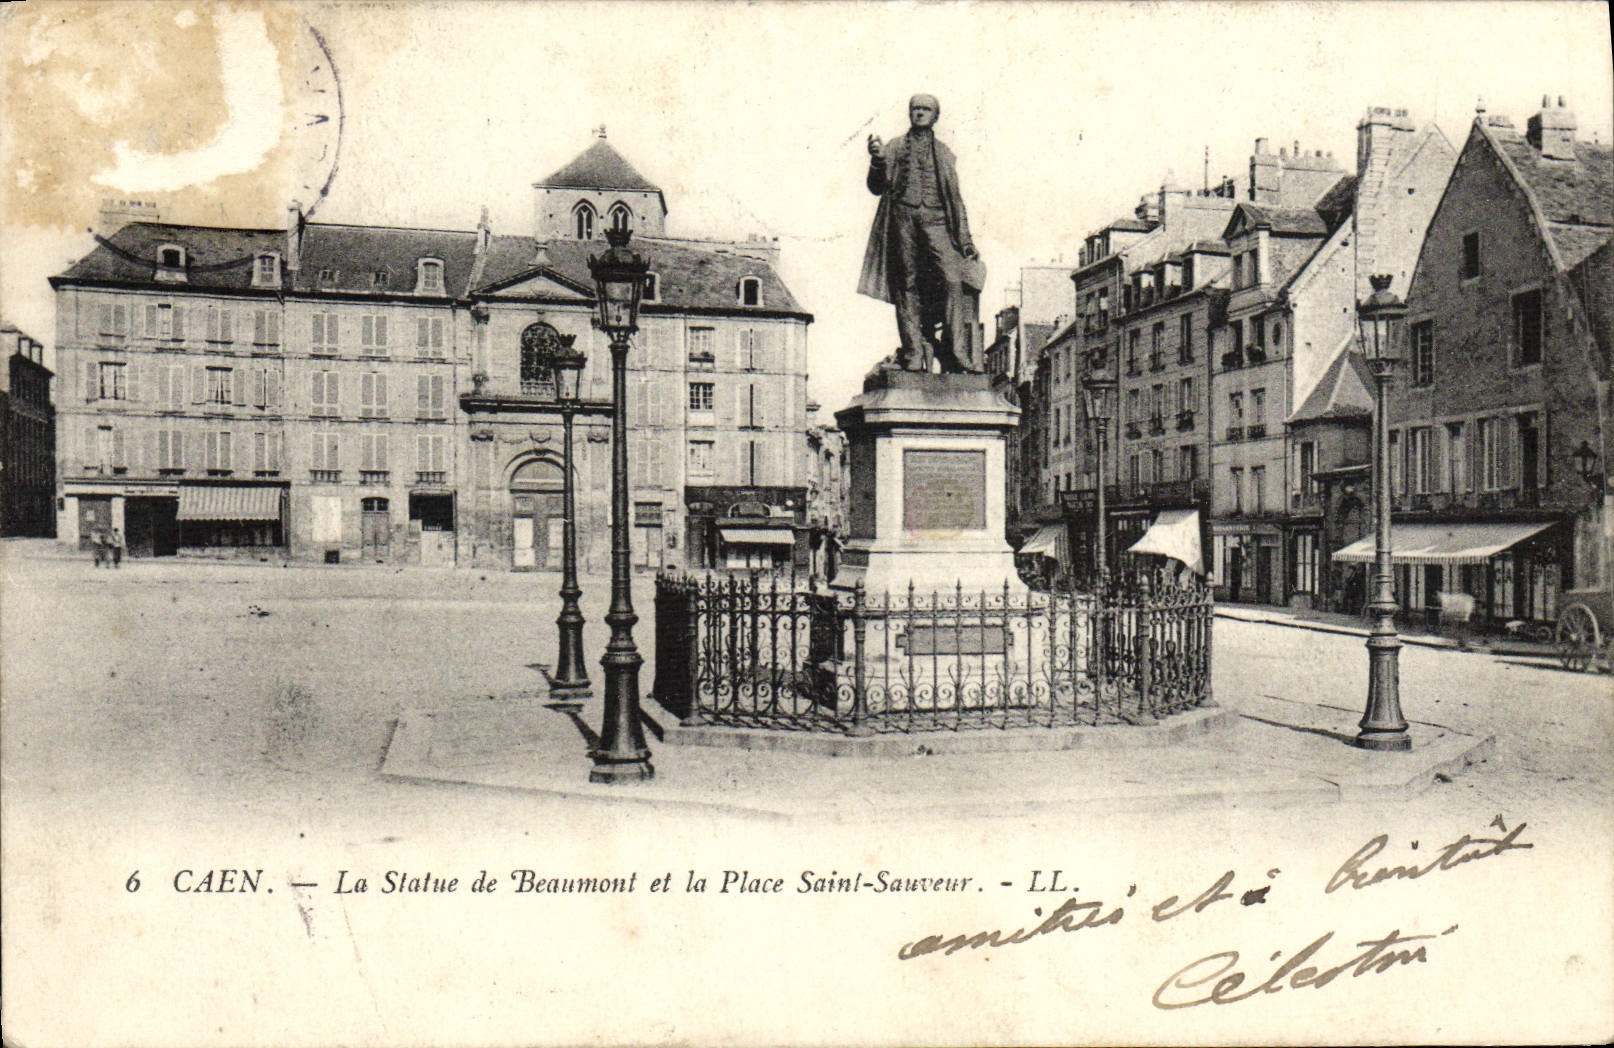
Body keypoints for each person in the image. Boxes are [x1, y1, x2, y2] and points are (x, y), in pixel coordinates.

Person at [858, 93, 983, 373]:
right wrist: (877, 161)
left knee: (952, 280)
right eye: (915, 109)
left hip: (937, 221)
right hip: (903, 219)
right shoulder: (893, 147)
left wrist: (965, 240)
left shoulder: (945, 154)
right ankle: (914, 353)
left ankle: (957, 352)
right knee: (907, 285)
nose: (919, 113)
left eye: (925, 109)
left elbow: (956, 200)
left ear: (935, 116)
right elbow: (876, 187)